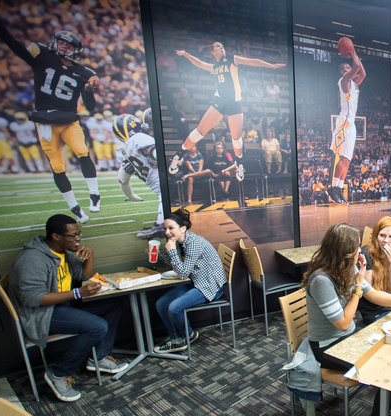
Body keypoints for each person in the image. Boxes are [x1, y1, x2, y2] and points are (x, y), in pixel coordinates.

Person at [302, 223, 391, 416]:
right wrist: (359, 285)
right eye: (355, 249)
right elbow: (342, 323)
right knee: (386, 369)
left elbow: (373, 294)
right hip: (327, 346)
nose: (359, 253)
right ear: (342, 252)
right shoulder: (321, 280)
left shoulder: (346, 268)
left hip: (348, 338)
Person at [0, 8, 102, 223]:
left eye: (67, 45)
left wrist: (89, 90)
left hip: (69, 120)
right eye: (60, 42)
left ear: (75, 50)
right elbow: (12, 44)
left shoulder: (83, 72)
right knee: (58, 166)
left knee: (82, 152)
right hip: (45, 121)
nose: (62, 46)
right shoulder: (42, 55)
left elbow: (91, 106)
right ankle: (74, 207)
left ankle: (94, 194)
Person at [8, 214, 127, 402]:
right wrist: (78, 294)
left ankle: (98, 358)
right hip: (42, 313)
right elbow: (32, 299)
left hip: (64, 304)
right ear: (56, 236)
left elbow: (84, 274)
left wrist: (90, 255)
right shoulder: (32, 259)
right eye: (73, 236)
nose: (78, 239)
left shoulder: (64, 253)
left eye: (79, 234)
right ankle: (58, 373)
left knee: (114, 304)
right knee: (98, 326)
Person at [168, 42, 285, 181]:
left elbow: (252, 61)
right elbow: (199, 63)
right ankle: (178, 156)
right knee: (200, 131)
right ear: (212, 52)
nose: (221, 47)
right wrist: (187, 55)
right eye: (218, 46)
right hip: (220, 101)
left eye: (222, 46)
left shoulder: (232, 59)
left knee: (236, 137)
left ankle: (239, 164)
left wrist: (271, 66)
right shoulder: (214, 67)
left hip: (235, 102)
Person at [154, 208, 227, 354]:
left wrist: (172, 251)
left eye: (171, 228)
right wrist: (159, 254)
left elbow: (182, 273)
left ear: (183, 228)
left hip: (209, 285)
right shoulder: (181, 241)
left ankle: (188, 335)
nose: (167, 232)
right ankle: (176, 339)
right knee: (160, 304)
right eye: (165, 229)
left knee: (174, 308)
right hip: (195, 281)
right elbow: (178, 265)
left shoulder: (194, 243)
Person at [112, 114, 165, 240]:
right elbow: (154, 151)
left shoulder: (122, 151)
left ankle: (161, 224)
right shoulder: (138, 138)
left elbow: (122, 180)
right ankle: (160, 224)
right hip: (163, 180)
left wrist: (131, 197)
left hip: (155, 185)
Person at [328, 50, 366, 205]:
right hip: (344, 122)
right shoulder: (343, 80)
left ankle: (340, 188)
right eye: (346, 67)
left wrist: (354, 56)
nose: (349, 67)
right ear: (343, 72)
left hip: (351, 123)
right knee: (343, 157)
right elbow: (357, 67)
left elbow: (362, 72)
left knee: (348, 159)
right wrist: (353, 53)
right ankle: (333, 188)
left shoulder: (355, 84)